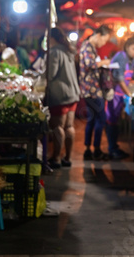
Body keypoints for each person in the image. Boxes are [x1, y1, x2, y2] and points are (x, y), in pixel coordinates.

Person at [46, 28, 80, 168]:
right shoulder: (69, 50)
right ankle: (68, 158)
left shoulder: (55, 52)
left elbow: (51, 74)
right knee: (69, 126)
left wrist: (41, 75)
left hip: (60, 94)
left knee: (57, 126)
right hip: (73, 93)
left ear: (52, 38)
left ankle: (56, 159)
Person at [105, 37, 134, 160]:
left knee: (117, 121)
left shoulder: (133, 60)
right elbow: (120, 79)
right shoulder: (121, 56)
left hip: (122, 94)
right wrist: (129, 94)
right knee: (111, 120)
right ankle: (112, 149)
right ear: (127, 47)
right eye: (133, 49)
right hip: (114, 93)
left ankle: (114, 147)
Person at [79, 25, 111, 161]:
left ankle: (88, 150)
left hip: (88, 89)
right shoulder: (87, 46)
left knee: (91, 120)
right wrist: (104, 62)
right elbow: (89, 64)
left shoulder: (88, 46)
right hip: (92, 90)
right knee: (101, 119)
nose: (103, 43)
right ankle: (96, 149)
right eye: (104, 40)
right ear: (98, 35)